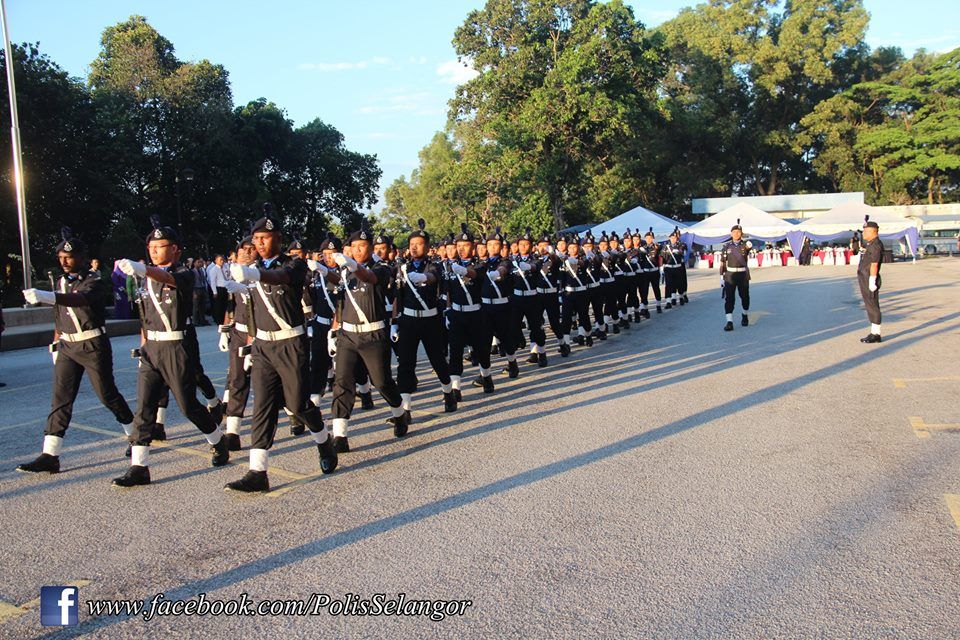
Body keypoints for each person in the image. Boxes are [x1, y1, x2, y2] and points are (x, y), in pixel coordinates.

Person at [225, 207, 338, 492]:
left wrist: (252, 273)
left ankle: (324, 442)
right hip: (263, 345)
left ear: (278, 238)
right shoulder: (251, 271)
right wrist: (250, 345)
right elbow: (252, 310)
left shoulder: (293, 265)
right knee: (262, 405)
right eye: (256, 238)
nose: (260, 243)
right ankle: (257, 471)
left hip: (291, 343)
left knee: (297, 405)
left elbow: (280, 278)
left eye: (266, 237)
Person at [112, 217, 229, 487]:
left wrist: (143, 269)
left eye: (160, 246)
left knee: (188, 406)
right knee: (144, 408)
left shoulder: (184, 275)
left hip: (176, 346)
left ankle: (217, 439)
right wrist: (143, 346)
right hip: (151, 348)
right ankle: (139, 467)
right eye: (150, 246)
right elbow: (145, 316)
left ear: (175, 249)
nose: (153, 250)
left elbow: (168, 278)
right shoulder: (144, 279)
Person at [17, 228, 135, 473]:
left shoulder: (95, 280)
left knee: (107, 395)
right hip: (68, 345)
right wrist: (55, 341)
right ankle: (50, 454)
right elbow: (60, 315)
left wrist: (47, 296)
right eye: (60, 257)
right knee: (60, 399)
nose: (64, 261)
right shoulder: (60, 281)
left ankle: (136, 435)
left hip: (92, 344)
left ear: (81, 257)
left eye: (69, 257)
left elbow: (79, 300)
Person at [329, 228, 409, 453]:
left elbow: (370, 278)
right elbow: (341, 301)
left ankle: (399, 413)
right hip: (348, 335)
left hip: (373, 334)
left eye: (361, 247)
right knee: (342, 382)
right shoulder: (346, 271)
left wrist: (351, 265)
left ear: (371, 249)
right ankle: (340, 435)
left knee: (381, 382)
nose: (357, 250)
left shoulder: (381, 267)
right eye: (353, 247)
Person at [393, 219, 456, 415]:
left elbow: (433, 277)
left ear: (427, 247)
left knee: (437, 359)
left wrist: (423, 278)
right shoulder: (402, 267)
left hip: (430, 320)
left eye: (418, 244)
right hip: (408, 320)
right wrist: (395, 321)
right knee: (406, 364)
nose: (414, 248)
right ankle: (406, 410)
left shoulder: (434, 265)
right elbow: (398, 295)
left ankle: (448, 392)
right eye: (411, 245)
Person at [446, 223, 496, 395]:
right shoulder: (449, 266)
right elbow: (448, 290)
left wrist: (464, 271)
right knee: (455, 351)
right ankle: (455, 388)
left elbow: (476, 275)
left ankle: (486, 377)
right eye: (458, 246)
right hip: (457, 314)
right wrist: (447, 311)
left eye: (465, 246)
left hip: (476, 313)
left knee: (482, 349)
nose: (461, 249)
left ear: (473, 247)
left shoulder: (480, 264)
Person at [219, 234, 257, 451]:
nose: (246, 253)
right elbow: (230, 305)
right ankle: (232, 432)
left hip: (260, 335)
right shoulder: (234, 272)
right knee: (236, 380)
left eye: (251, 249)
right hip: (238, 332)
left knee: (270, 384)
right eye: (243, 249)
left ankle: (295, 416)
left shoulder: (263, 274)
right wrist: (224, 330)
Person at [719, 219, 753, 332]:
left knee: (745, 297)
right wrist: (721, 277)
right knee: (729, 299)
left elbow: (749, 248)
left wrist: (749, 247)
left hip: (743, 274)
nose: (736, 234)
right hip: (730, 274)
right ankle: (729, 322)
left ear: (741, 234)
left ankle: (744, 315)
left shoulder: (745, 245)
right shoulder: (726, 246)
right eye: (734, 232)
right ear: (731, 234)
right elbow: (723, 262)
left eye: (738, 232)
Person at [858, 216, 884, 343]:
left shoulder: (875, 245)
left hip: (870, 278)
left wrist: (872, 280)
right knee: (869, 304)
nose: (863, 233)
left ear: (872, 232)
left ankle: (876, 334)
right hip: (866, 277)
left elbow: (874, 264)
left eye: (865, 231)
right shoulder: (871, 243)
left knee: (872, 304)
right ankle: (874, 331)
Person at [206, 254, 229, 325]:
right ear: (216, 261)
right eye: (220, 260)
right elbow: (212, 282)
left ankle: (224, 320)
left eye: (222, 260)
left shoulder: (225, 268)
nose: (222, 261)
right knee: (219, 306)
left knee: (225, 305)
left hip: (226, 288)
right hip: (219, 289)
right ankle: (219, 321)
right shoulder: (213, 269)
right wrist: (214, 292)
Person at [191, 258, 211, 326]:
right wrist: (193, 292)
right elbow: (192, 283)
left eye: (200, 262)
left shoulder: (201, 270)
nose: (200, 263)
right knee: (196, 306)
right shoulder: (192, 271)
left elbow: (204, 280)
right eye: (198, 262)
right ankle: (195, 321)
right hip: (196, 289)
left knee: (202, 306)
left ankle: (202, 320)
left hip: (202, 288)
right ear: (194, 263)